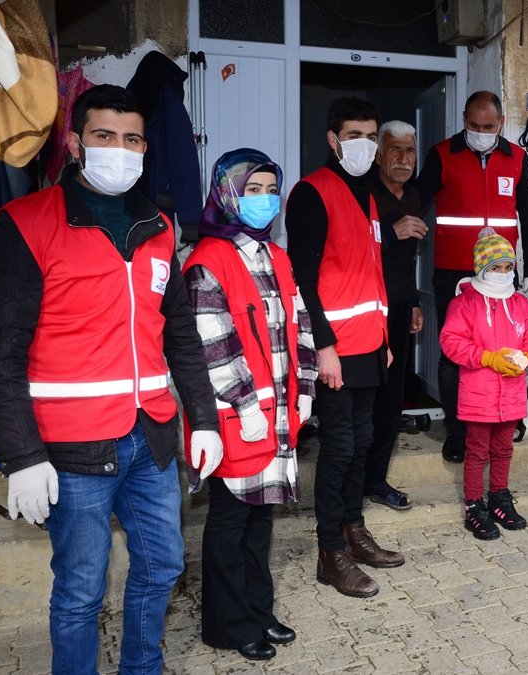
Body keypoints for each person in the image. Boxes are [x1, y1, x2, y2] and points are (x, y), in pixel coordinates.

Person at [0, 84, 223, 674]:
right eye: (104, 136)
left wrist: (205, 419)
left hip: (152, 437)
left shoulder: (159, 226)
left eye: (132, 138)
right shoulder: (26, 223)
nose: (121, 148)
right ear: (75, 142)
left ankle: (142, 668)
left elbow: (180, 335)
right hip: (70, 449)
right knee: (82, 591)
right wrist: (20, 456)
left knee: (163, 564)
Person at [184, 149, 317, 661]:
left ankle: (259, 611)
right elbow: (211, 346)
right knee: (229, 521)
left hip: (277, 414)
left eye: (270, 190)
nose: (265, 201)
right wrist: (244, 407)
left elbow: (300, 326)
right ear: (226, 194)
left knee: (261, 520)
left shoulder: (275, 256)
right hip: (237, 416)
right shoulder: (206, 264)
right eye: (252, 190)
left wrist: (304, 391)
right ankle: (228, 624)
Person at [285, 97, 404, 598]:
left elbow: (367, 271)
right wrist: (324, 347)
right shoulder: (312, 193)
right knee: (338, 449)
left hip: (369, 345)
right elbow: (304, 278)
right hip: (335, 349)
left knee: (362, 444)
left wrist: (383, 339)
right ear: (334, 140)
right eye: (354, 134)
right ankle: (329, 551)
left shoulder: (369, 197)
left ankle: (354, 530)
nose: (364, 144)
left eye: (370, 135)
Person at [417, 90, 528, 464]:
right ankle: (457, 434)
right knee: (454, 353)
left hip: (502, 272)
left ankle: (502, 422)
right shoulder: (443, 154)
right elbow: (416, 199)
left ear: (501, 123)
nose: (480, 131)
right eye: (473, 125)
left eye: (488, 126)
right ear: (463, 119)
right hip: (454, 271)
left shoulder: (517, 158)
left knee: (506, 349)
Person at [439, 227, 528, 540]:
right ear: (482, 268)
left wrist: (527, 357)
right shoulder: (464, 304)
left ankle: (499, 495)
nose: (502, 273)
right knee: (477, 452)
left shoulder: (520, 303)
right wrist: (487, 358)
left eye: (508, 267)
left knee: (503, 448)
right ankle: (474, 503)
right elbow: (450, 341)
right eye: (495, 268)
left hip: (510, 395)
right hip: (479, 394)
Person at [364, 120, 425, 510]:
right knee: (362, 404)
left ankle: (376, 481)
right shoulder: (363, 194)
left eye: (410, 151)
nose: (403, 159)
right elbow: (348, 248)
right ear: (379, 155)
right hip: (365, 308)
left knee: (391, 401)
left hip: (400, 307)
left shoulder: (414, 196)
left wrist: (415, 300)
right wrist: (389, 231)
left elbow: (406, 261)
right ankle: (351, 487)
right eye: (395, 150)